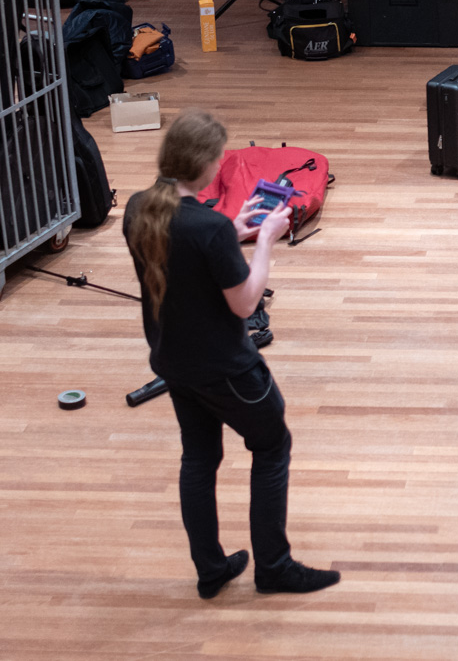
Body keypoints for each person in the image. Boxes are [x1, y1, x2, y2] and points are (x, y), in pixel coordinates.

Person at [123, 109, 340, 599]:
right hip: (227, 369)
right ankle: (274, 568)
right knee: (272, 447)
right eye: (218, 158)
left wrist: (231, 230)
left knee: (199, 459)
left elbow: (188, 252)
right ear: (201, 164)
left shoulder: (140, 208)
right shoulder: (208, 229)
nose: (221, 164)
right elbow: (244, 303)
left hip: (175, 362)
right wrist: (264, 241)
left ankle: (211, 569)